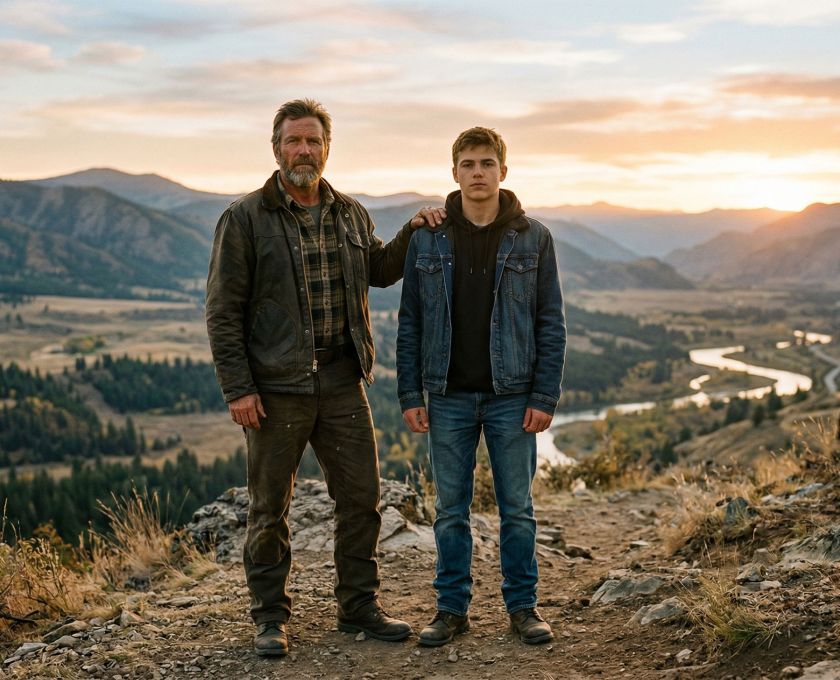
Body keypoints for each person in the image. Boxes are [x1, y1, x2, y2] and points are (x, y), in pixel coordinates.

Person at [206, 98, 443, 657]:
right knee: (269, 508)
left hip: (342, 382)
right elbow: (223, 310)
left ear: (327, 148)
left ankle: (358, 608)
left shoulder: (351, 214)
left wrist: (412, 230)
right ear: (276, 148)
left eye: (313, 141)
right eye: (294, 141)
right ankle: (269, 618)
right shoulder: (244, 218)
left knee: (362, 500)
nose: (304, 150)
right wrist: (238, 388)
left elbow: (380, 271)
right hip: (274, 390)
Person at [396, 126, 566, 646]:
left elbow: (550, 322)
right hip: (446, 395)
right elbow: (410, 322)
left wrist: (544, 395)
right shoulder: (428, 237)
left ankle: (523, 608)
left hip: (512, 396)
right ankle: (451, 610)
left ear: (503, 172)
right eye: (467, 164)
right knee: (450, 511)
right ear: (454, 172)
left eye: (486, 163)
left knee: (517, 508)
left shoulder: (533, 238)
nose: (477, 173)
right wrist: (410, 394)